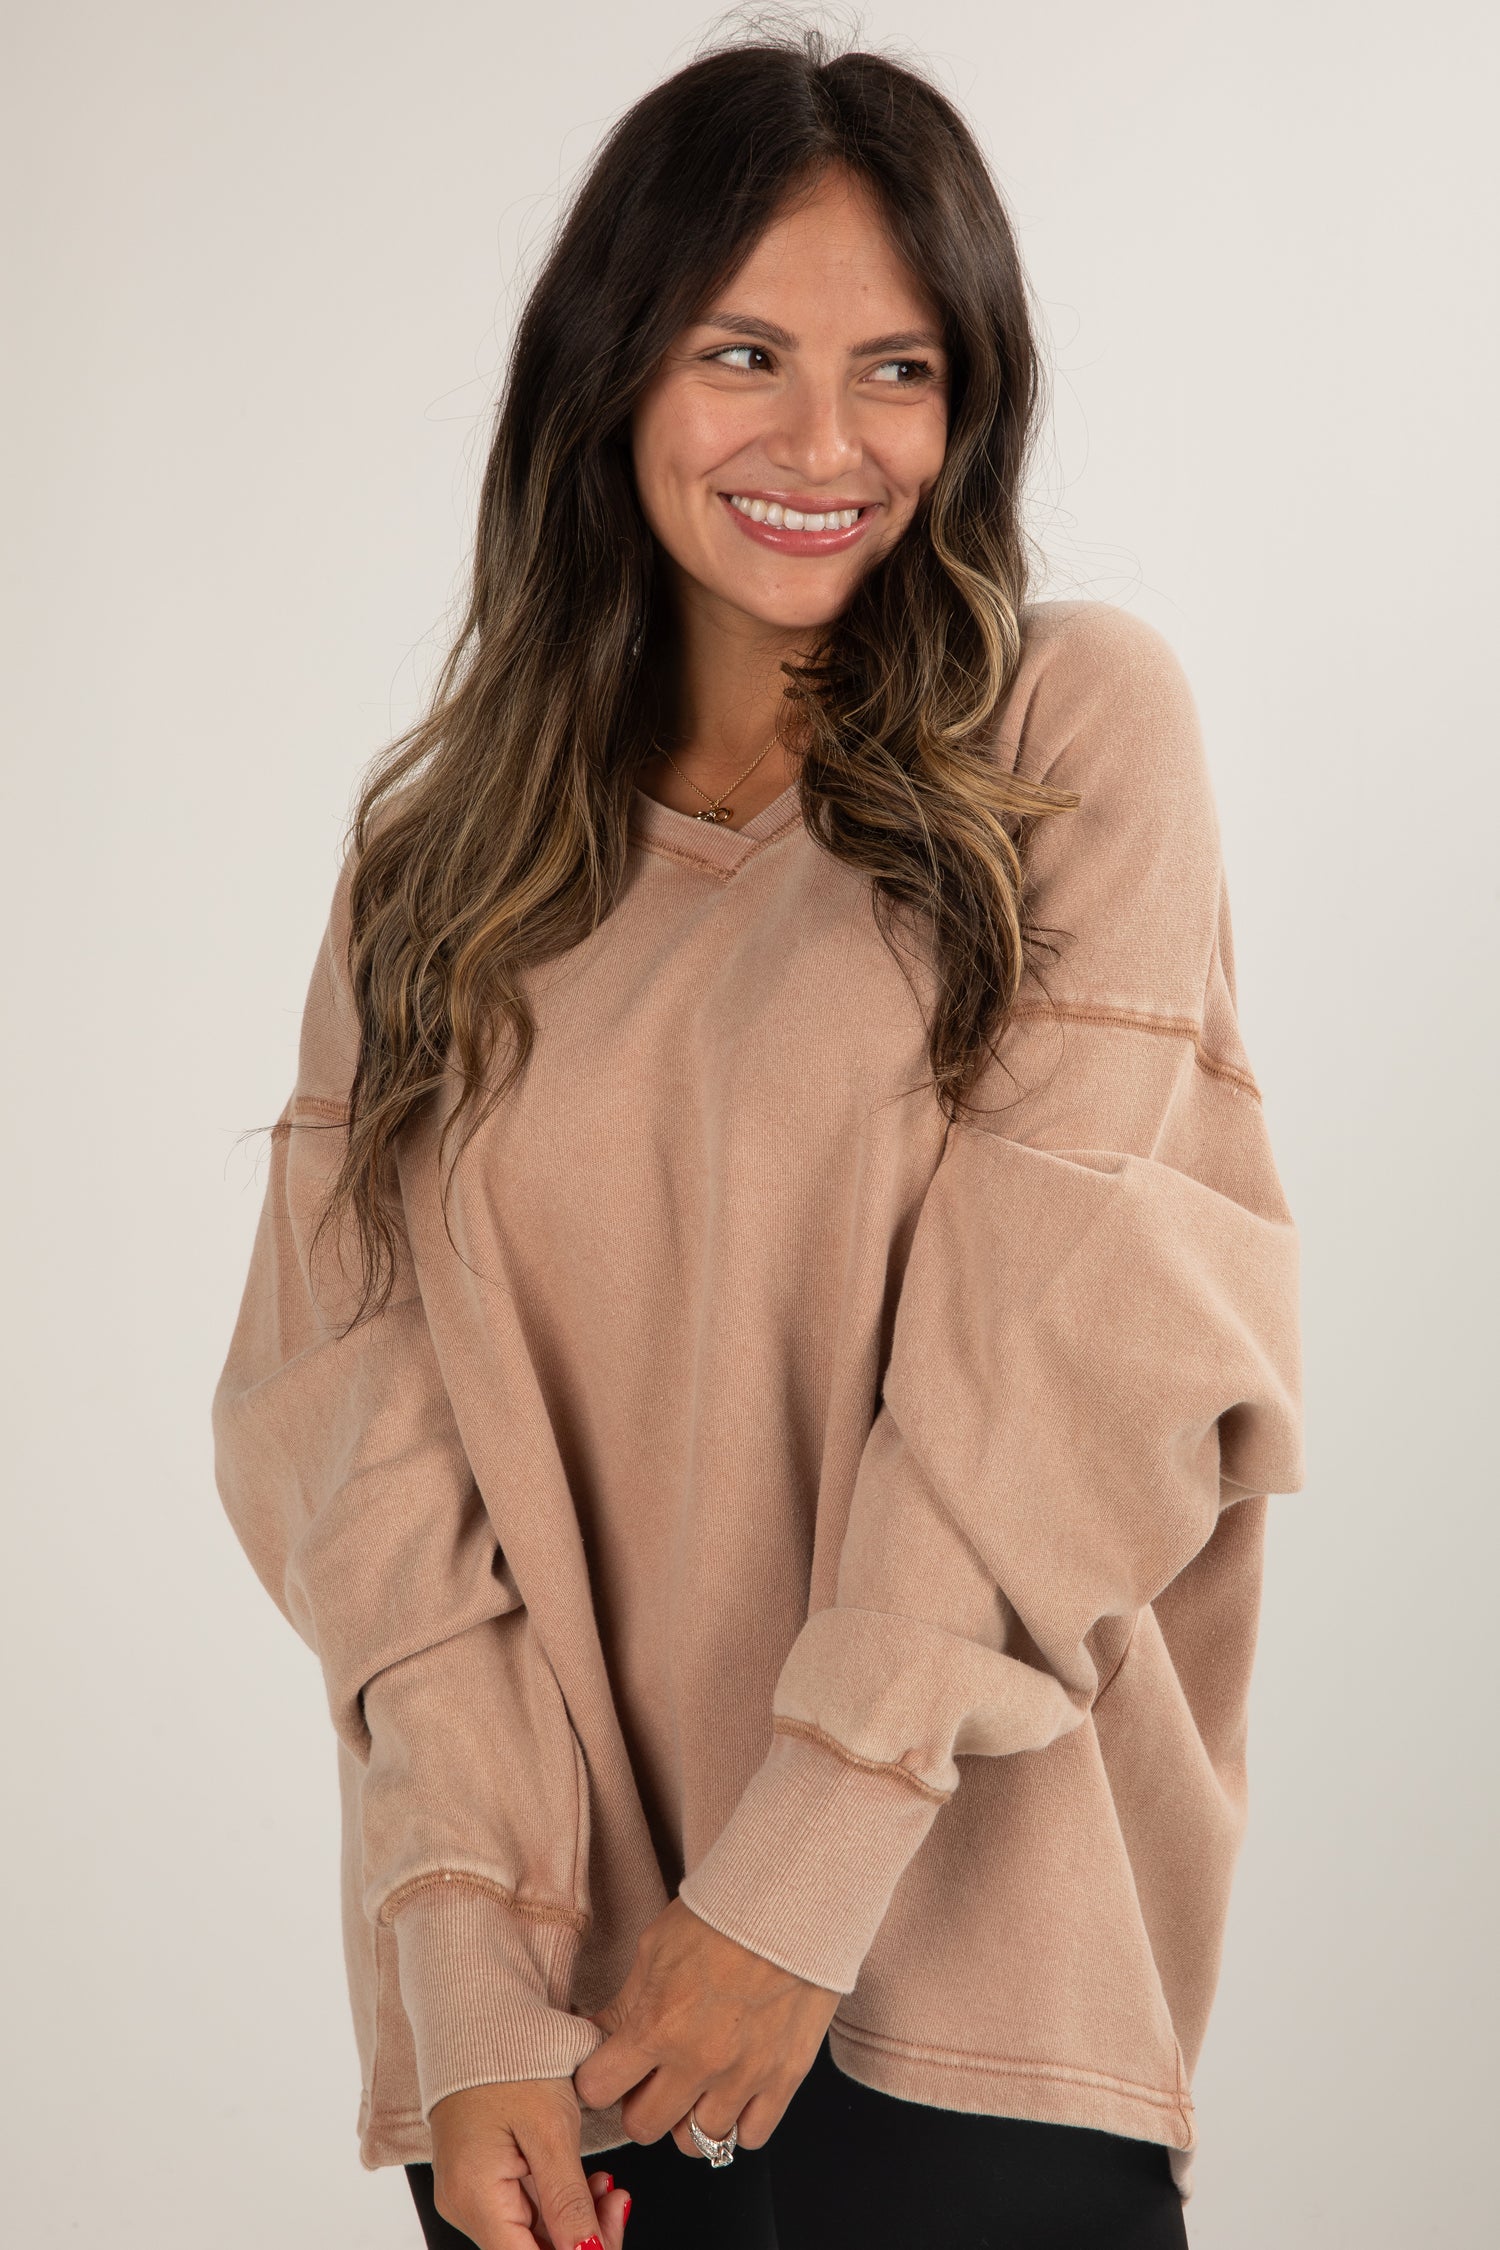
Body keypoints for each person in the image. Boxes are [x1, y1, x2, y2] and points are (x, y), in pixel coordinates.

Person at [211, 29, 1304, 2250]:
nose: (828, 444)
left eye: (900, 370)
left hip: (965, 2005)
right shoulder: (434, 874)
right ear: (610, 371)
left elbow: (1067, 1348)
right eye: (745, 353)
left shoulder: (1068, 733)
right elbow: (359, 1443)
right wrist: (465, 1970)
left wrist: (797, 1882)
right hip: (558, 2058)